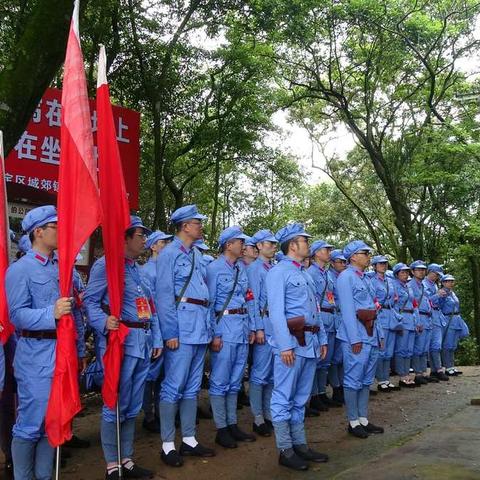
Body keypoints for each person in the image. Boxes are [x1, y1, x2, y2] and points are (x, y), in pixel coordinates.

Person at [84, 215, 162, 479]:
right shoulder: (106, 266)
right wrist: (104, 321)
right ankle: (112, 466)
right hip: (120, 343)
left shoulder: (136, 270)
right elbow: (90, 302)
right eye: (139, 235)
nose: (144, 240)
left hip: (142, 342)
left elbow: (150, 308)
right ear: (125, 237)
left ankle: (126, 459)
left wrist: (157, 339)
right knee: (113, 402)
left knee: (130, 405)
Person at [5, 206, 76, 480]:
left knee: (53, 421)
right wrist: (51, 314)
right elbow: (17, 315)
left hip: (62, 352)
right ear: (38, 232)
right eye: (56, 226)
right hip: (35, 355)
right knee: (31, 424)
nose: (61, 231)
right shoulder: (20, 269)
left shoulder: (63, 268)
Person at [266, 223, 329, 471]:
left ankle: (300, 444)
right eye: (305, 240)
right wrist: (284, 346)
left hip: (310, 343)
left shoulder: (304, 273)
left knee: (300, 397)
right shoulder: (278, 272)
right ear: (293, 245)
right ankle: (285, 449)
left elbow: (315, 310)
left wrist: (322, 338)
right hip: (291, 344)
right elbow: (276, 313)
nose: (309, 244)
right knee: (283, 396)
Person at [155, 205, 215, 467]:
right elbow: (164, 296)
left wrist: (209, 329)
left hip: (199, 329)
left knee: (192, 388)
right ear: (184, 227)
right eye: (197, 223)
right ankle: (167, 444)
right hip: (181, 330)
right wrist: (170, 332)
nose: (201, 226)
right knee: (173, 386)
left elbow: (205, 296)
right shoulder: (169, 254)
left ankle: (189, 439)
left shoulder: (195, 255)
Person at [207, 226, 256, 448]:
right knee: (219, 381)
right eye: (240, 242)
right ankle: (221, 428)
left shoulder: (240, 269)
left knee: (235, 380)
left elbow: (248, 299)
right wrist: (214, 333)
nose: (243, 246)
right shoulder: (214, 269)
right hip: (224, 329)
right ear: (229, 245)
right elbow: (209, 305)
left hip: (242, 328)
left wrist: (252, 328)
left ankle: (232, 424)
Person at [337, 240, 384, 439]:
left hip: (371, 334)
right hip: (356, 335)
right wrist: (354, 338)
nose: (368, 256)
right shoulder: (345, 277)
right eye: (364, 253)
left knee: (366, 380)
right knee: (353, 379)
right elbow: (347, 311)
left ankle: (363, 419)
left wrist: (379, 335)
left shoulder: (365, 278)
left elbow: (374, 309)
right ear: (353, 257)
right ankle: (353, 421)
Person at [141, 230, 173, 434]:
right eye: (163, 242)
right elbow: (148, 306)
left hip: (169, 328)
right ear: (153, 246)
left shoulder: (167, 268)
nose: (167, 245)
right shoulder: (146, 271)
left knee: (164, 375)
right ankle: (149, 415)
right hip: (154, 329)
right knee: (149, 377)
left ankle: (162, 414)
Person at [246, 229, 277, 437]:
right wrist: (257, 327)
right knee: (259, 374)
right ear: (258, 246)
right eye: (269, 243)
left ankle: (268, 413)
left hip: (275, 324)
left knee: (273, 374)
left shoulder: (272, 268)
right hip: (264, 324)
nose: (273, 246)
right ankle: (257, 418)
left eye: (275, 244)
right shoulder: (255, 269)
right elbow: (253, 301)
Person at [307, 240, 341, 413]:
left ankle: (321, 393)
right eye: (326, 249)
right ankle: (313, 396)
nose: (329, 252)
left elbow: (333, 296)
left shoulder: (327, 274)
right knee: (316, 361)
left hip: (331, 318)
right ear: (316, 253)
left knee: (326, 362)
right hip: (319, 317)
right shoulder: (310, 273)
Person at [370, 255, 400, 392]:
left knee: (389, 351)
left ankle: (386, 379)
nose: (383, 265)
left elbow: (395, 298)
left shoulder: (390, 281)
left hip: (390, 316)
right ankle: (380, 380)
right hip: (380, 316)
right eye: (380, 263)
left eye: (385, 263)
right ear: (374, 266)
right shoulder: (371, 280)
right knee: (381, 350)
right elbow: (371, 297)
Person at [408, 260, 437, 385]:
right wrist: (417, 320)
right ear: (413, 271)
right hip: (419, 316)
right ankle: (418, 373)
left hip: (427, 317)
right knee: (418, 347)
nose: (421, 272)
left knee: (425, 347)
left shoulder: (423, 285)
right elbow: (413, 304)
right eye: (418, 270)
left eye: (423, 269)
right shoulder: (411, 285)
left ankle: (424, 372)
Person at [392, 263, 417, 388]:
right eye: (402, 272)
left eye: (407, 272)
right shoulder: (394, 286)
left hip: (411, 319)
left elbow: (414, 304)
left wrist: (417, 321)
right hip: (402, 318)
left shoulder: (409, 287)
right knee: (401, 349)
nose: (405, 274)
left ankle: (407, 374)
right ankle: (402, 376)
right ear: (396, 274)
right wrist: (398, 322)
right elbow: (394, 305)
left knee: (409, 350)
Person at [327, 249, 347, 404]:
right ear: (332, 263)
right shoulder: (329, 276)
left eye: (344, 261)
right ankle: (335, 387)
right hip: (332, 317)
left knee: (341, 357)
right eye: (340, 261)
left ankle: (341, 386)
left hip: (342, 318)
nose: (343, 264)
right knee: (332, 359)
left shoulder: (345, 277)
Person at [438, 274, 469, 376]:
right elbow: (439, 307)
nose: (450, 283)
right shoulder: (442, 293)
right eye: (448, 281)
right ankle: (447, 367)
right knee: (447, 344)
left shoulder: (452, 293)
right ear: (443, 282)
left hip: (456, 319)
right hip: (448, 319)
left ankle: (452, 365)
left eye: (452, 281)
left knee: (453, 344)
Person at [423, 264, 449, 381]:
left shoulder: (435, 285)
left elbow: (439, 304)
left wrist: (442, 297)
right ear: (430, 272)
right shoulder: (423, 284)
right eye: (436, 274)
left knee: (437, 345)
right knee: (429, 345)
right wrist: (437, 295)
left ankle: (436, 370)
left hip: (437, 316)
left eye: (438, 275)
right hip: (428, 316)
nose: (437, 277)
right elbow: (424, 301)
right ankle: (434, 370)